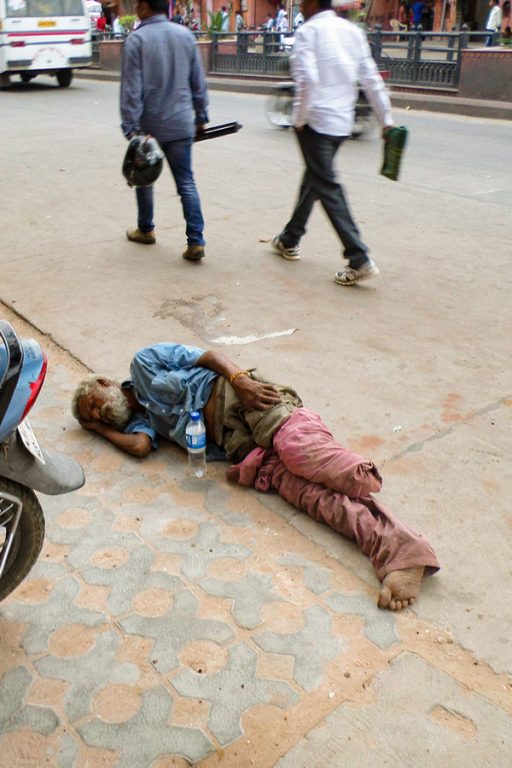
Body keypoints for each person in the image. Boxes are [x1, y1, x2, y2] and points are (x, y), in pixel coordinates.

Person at [72, 344, 440, 611]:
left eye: (93, 403)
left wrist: (240, 380)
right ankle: (404, 553)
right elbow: (138, 447)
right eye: (94, 417)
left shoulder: (144, 363)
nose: (101, 413)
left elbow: (208, 356)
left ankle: (348, 471)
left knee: (302, 454)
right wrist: (96, 429)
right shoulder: (140, 423)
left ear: (104, 381)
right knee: (314, 498)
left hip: (246, 400)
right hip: (239, 445)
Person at [270, 0, 394, 287]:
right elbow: (371, 79)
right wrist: (385, 119)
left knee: (326, 184)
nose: (300, 5)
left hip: (316, 122)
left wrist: (299, 119)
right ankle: (290, 238)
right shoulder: (352, 31)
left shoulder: (308, 32)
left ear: (313, 2)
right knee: (316, 177)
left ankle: (359, 257)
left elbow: (307, 81)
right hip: (342, 122)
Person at [120, 0, 209, 262]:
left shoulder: (137, 41)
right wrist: (201, 116)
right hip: (181, 123)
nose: (136, 8)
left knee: (143, 178)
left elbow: (131, 90)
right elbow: (198, 82)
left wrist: (131, 128)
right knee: (186, 182)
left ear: (146, 7)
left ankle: (146, 229)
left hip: (149, 127)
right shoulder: (185, 35)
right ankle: (196, 241)